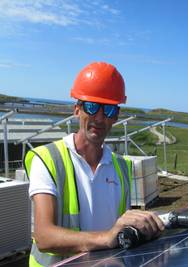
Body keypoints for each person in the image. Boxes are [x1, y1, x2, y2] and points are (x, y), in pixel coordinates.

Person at [24, 62, 164, 267]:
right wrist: (107, 237)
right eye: (92, 107)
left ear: (115, 117)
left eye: (108, 110)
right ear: (77, 109)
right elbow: (44, 236)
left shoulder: (122, 168)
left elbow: (120, 233)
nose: (99, 118)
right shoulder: (48, 159)